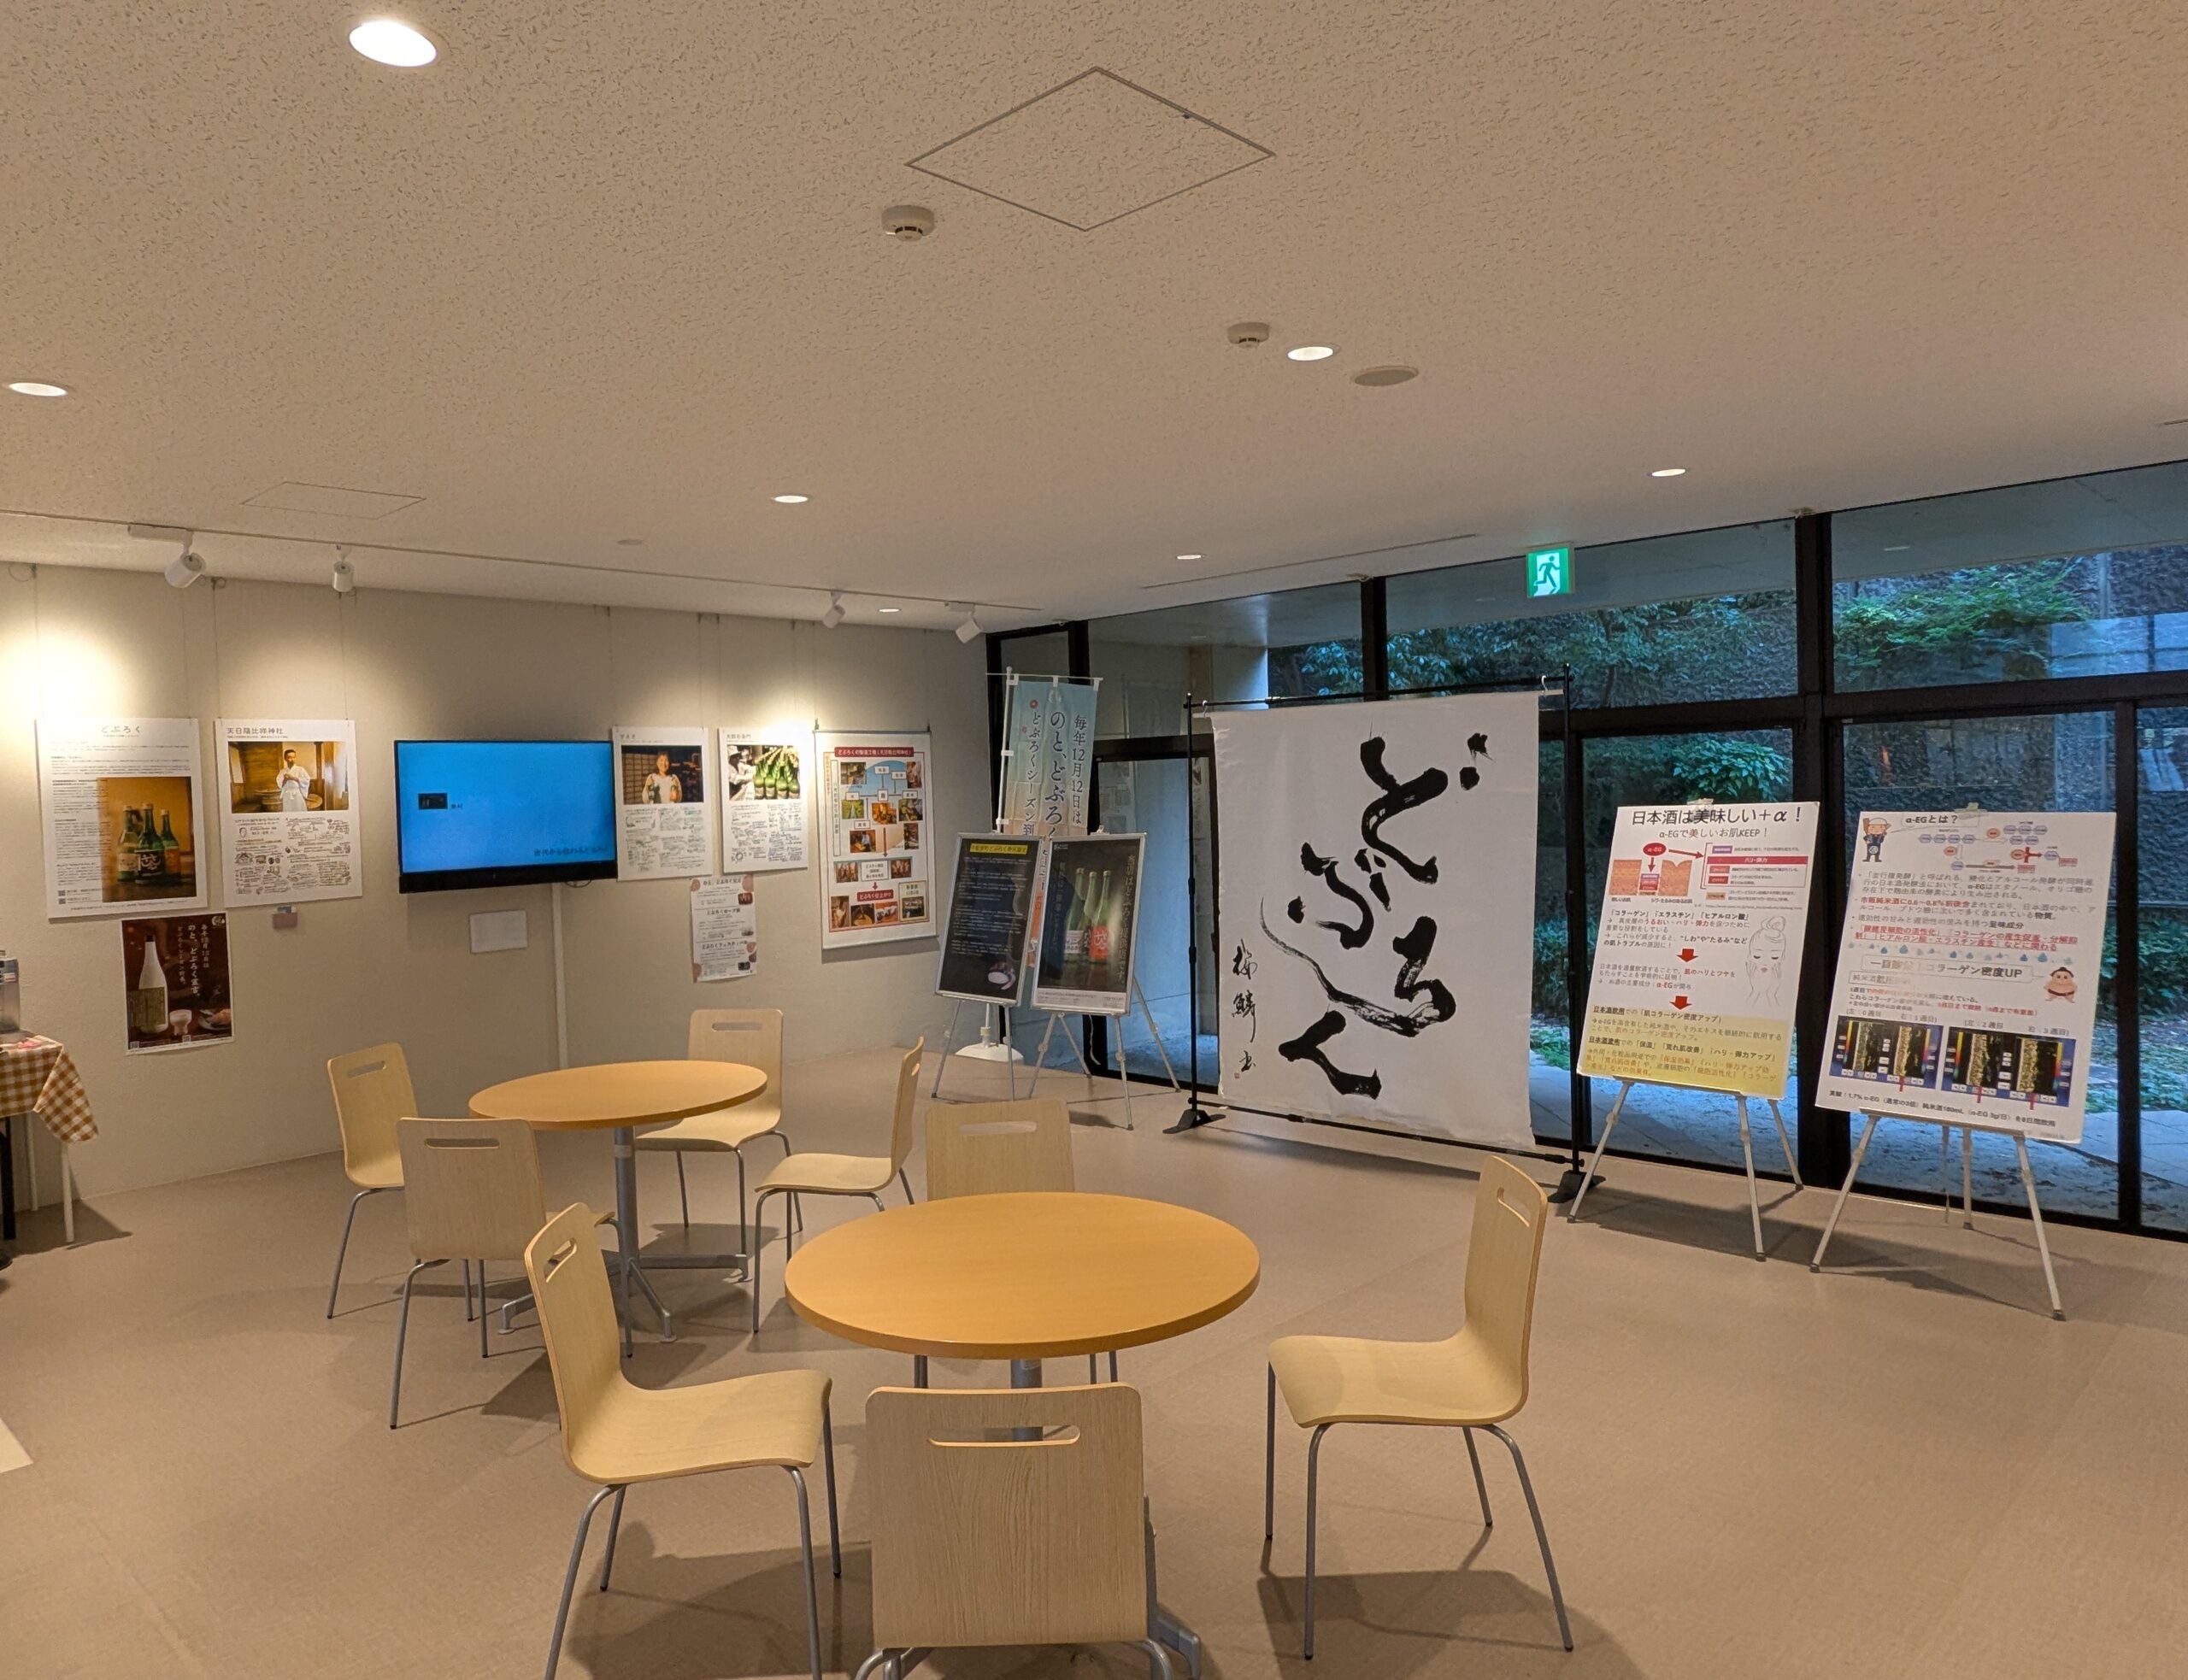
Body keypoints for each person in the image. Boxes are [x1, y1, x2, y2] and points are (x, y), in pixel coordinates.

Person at [276, 749, 312, 813]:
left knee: (299, 811)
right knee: (288, 812)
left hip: (297, 793)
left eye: (293, 757)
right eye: (289, 757)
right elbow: (280, 785)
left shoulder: (301, 769)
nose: (292, 759)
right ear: (285, 758)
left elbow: (306, 780)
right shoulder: (282, 771)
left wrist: (293, 778)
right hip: (287, 794)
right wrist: (285, 779)